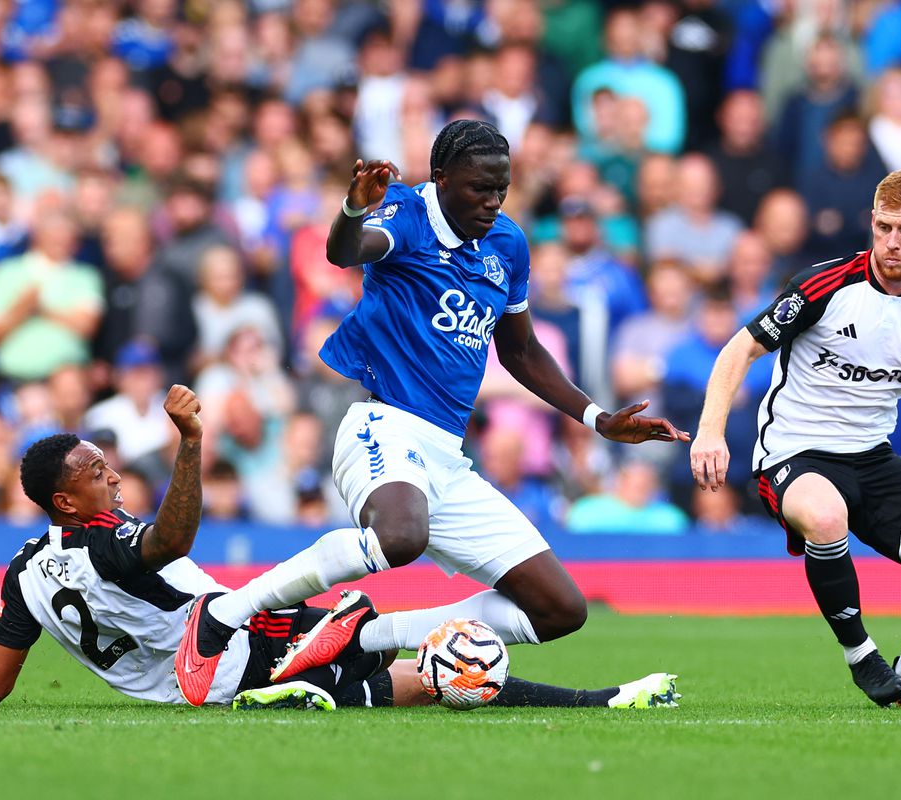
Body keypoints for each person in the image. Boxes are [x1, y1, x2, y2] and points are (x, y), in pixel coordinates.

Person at [174, 119, 690, 705]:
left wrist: (598, 419)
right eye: (478, 188)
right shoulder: (405, 214)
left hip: (447, 457)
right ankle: (227, 612)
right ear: (440, 178)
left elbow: (520, 350)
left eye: (502, 188)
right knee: (399, 536)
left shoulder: (508, 243)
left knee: (559, 610)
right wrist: (351, 209)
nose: (492, 202)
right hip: (383, 425)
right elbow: (345, 252)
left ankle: (366, 635)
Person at [0, 388, 680, 711]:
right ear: (66, 500)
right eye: (96, 471)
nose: (112, 474)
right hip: (228, 656)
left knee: (394, 643)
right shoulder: (108, 546)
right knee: (443, 671)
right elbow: (171, 540)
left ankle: (601, 699)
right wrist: (190, 443)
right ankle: (602, 703)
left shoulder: (25, 570)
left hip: (205, 670)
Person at [689, 168, 901, 708]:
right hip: (793, 450)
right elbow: (739, 350)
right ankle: (863, 658)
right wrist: (710, 431)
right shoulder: (824, 285)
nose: (892, 243)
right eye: (883, 227)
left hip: (873, 458)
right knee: (827, 518)